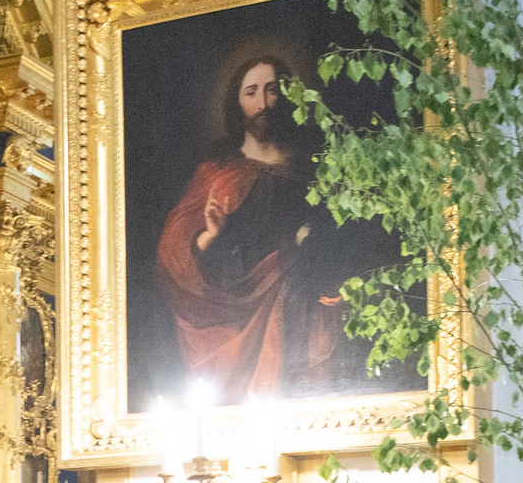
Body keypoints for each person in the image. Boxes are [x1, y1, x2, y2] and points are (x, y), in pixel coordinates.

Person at [154, 47, 366, 401]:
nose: (264, 102)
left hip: (305, 307)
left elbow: (347, 239)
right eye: (252, 92)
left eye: (272, 90)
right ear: (237, 103)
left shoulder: (315, 169)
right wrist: (209, 236)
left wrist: (321, 255)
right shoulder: (218, 173)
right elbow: (172, 254)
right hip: (237, 313)